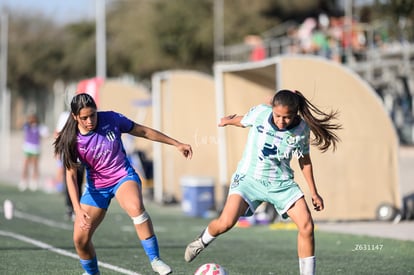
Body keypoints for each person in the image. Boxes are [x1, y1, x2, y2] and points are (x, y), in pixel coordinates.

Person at [184, 89, 341, 275]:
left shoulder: (302, 130)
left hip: (281, 184)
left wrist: (314, 192)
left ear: (295, 114)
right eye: (277, 115)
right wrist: (228, 121)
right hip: (248, 179)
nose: (281, 121)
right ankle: (202, 241)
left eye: (287, 117)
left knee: (307, 225)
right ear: (272, 109)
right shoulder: (260, 113)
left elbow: (304, 160)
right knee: (225, 223)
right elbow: (242, 120)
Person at [54, 93, 193, 275]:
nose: (90, 121)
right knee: (80, 240)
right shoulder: (71, 139)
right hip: (97, 188)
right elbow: (70, 177)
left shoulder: (111, 118)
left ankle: (155, 260)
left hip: (122, 177)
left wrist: (176, 144)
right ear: (75, 117)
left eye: (93, 115)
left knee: (136, 208)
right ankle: (92, 273)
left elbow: (144, 131)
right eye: (84, 118)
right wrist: (78, 211)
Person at [54, 111, 85, 221]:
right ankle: (70, 208)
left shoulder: (85, 116)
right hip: (69, 154)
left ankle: (78, 208)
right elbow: (58, 133)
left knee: (79, 181)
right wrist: (59, 152)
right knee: (70, 181)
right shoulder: (64, 116)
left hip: (81, 155)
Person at [20, 113, 42, 191]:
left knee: (35, 165)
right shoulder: (27, 126)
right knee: (25, 165)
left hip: (36, 148)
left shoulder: (39, 127)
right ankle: (24, 181)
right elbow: (21, 126)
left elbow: (43, 136)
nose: (32, 120)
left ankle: (34, 181)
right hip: (28, 148)